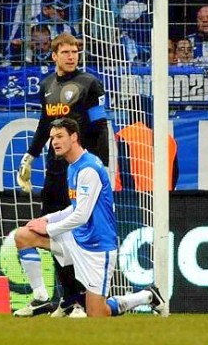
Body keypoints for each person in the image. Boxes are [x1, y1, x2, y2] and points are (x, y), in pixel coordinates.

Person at [13, 117, 167, 318]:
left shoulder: (89, 169)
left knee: (97, 314)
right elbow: (75, 208)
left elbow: (81, 216)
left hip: (97, 247)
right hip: (76, 239)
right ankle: (41, 299)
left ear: (74, 137)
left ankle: (147, 296)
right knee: (23, 235)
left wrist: (49, 229)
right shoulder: (72, 166)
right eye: (52, 138)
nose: (54, 142)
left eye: (60, 136)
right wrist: (47, 219)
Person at [16, 32, 110, 317]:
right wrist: (30, 156)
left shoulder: (90, 84)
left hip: (82, 170)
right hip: (54, 171)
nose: (71, 56)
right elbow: (45, 125)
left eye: (75, 52)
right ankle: (67, 300)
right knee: (48, 232)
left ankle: (81, 299)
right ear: (54, 55)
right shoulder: (46, 85)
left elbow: (100, 125)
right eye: (66, 52)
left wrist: (101, 165)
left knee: (76, 233)